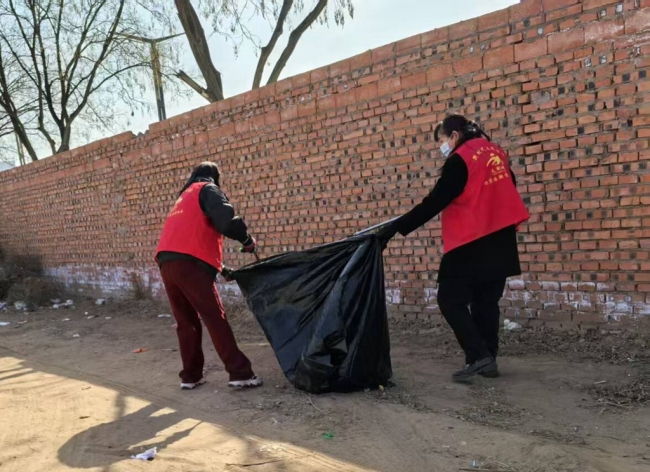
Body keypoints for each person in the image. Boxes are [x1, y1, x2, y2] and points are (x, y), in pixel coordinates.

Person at [379, 114, 529, 383]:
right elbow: (510, 188)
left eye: (442, 140)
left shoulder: (461, 159)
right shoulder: (496, 152)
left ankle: (478, 355)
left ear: (454, 136)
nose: (442, 147)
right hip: (502, 237)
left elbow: (436, 200)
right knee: (486, 301)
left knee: (449, 300)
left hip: (471, 238)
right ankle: (488, 358)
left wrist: (395, 229)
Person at [155, 162, 263, 390]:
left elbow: (190, 242)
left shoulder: (184, 197)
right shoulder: (207, 189)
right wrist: (247, 240)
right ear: (214, 176)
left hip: (166, 264)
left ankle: (190, 377)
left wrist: (222, 270)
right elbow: (227, 222)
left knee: (186, 323)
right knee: (215, 317)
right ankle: (240, 372)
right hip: (188, 265)